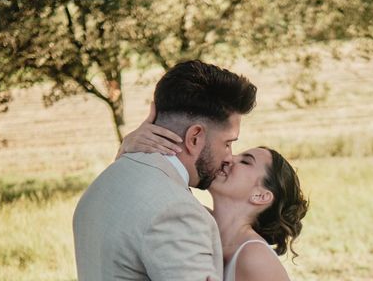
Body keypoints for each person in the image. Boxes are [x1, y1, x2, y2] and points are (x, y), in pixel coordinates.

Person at [73, 60, 257, 281]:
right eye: (227, 143)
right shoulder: (177, 212)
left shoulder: (105, 182)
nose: (229, 157)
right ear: (195, 138)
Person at [120, 118, 309, 280]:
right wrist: (128, 147)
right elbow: (127, 198)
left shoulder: (255, 257)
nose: (228, 158)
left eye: (245, 161)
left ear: (260, 196)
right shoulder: (191, 216)